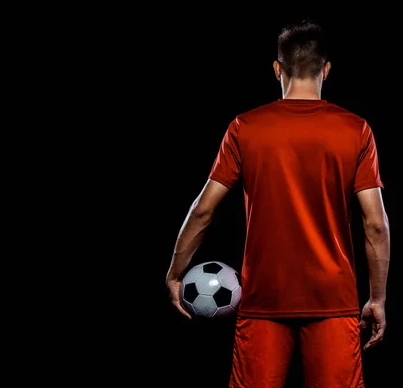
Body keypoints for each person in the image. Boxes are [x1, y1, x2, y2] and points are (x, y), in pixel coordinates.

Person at [165, 19, 390, 388]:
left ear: (277, 69)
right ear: (326, 70)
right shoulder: (356, 129)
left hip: (262, 299)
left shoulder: (245, 127)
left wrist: (175, 272)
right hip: (333, 300)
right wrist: (377, 299)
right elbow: (376, 224)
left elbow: (204, 210)